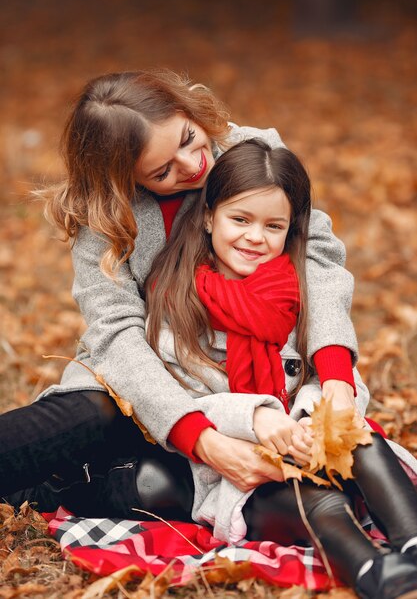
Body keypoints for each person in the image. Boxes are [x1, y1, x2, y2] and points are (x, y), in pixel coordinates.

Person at [0, 70, 363, 522]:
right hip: (147, 378)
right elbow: (116, 334)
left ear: (188, 111)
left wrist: (335, 377)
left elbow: (319, 258)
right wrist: (203, 440)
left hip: (233, 381)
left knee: (161, 484)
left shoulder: (247, 153)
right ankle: (53, 479)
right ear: (123, 181)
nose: (192, 164)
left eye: (188, 138)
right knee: (85, 418)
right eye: (162, 170)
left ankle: (73, 484)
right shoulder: (105, 216)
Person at [144, 139, 417, 599]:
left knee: (361, 438)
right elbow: (178, 399)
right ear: (209, 216)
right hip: (239, 473)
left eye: (274, 226)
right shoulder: (177, 302)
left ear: (290, 230)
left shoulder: (295, 289)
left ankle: (411, 539)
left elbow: (328, 373)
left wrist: (311, 417)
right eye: (240, 220)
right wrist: (257, 416)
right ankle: (375, 572)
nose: (256, 237)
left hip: (308, 444)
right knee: (316, 498)